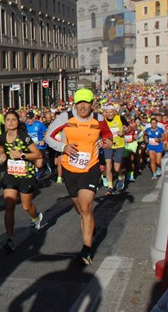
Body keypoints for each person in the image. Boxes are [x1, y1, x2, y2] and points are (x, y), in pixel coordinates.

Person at [44, 88, 113, 266]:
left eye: (86, 102)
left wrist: (108, 141)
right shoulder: (66, 117)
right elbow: (48, 137)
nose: (83, 106)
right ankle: (89, 223)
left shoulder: (98, 119)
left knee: (86, 205)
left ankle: (86, 249)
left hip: (91, 167)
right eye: (79, 102)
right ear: (75, 103)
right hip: (69, 168)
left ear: (92, 103)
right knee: (80, 209)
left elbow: (107, 134)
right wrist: (63, 147)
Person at [0, 110, 43, 252]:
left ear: (18, 122)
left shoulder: (24, 137)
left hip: (26, 174)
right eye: (8, 119)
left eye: (14, 119)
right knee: (9, 204)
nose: (11, 122)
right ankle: (10, 238)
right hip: (11, 173)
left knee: (25, 206)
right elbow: (0, 147)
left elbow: (38, 154)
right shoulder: (2, 137)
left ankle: (36, 217)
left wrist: (21, 155)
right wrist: (3, 155)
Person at [103, 104, 132, 195]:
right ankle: (110, 186)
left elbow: (130, 128)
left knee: (116, 167)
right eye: (107, 112)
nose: (109, 114)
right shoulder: (103, 121)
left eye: (111, 112)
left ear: (115, 112)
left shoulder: (120, 118)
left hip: (119, 145)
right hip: (108, 145)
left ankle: (120, 177)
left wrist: (123, 132)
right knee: (108, 164)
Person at [25, 111, 50, 180]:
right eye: (27, 119)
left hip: (40, 146)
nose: (29, 121)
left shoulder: (39, 125)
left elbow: (47, 132)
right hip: (31, 146)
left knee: (39, 164)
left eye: (30, 119)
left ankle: (44, 164)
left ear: (34, 118)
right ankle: (36, 173)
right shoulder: (25, 125)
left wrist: (44, 140)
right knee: (32, 160)